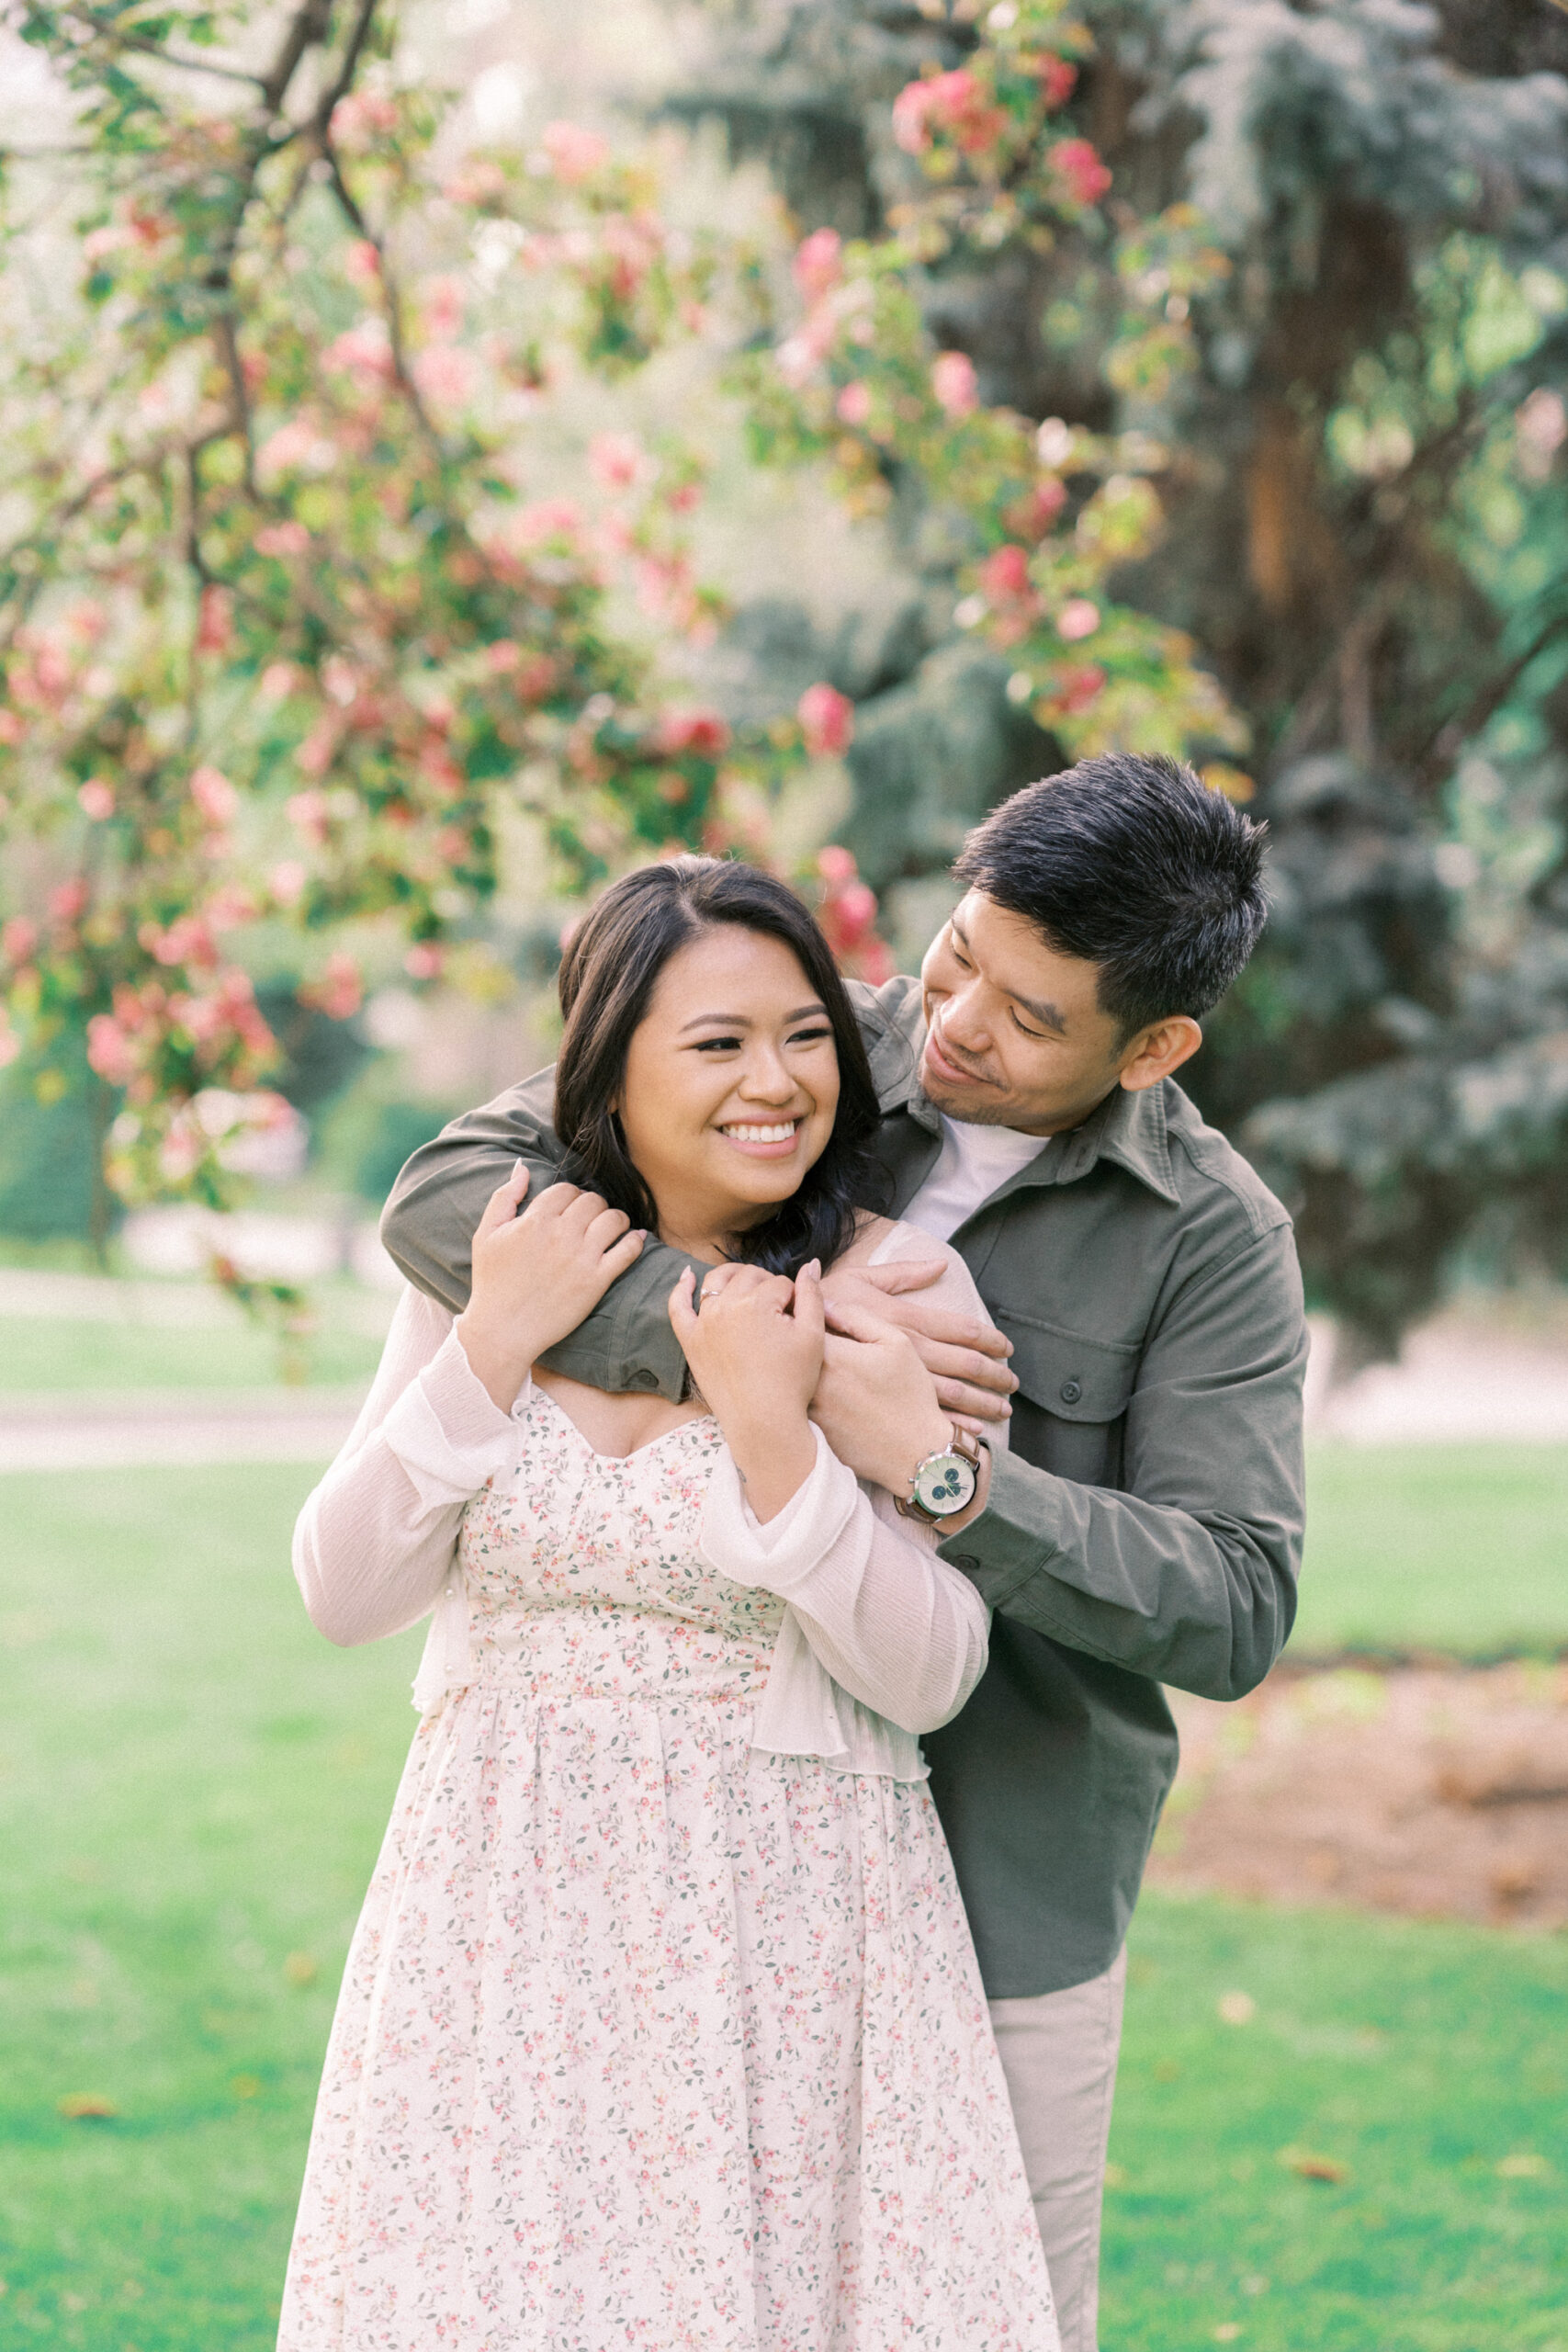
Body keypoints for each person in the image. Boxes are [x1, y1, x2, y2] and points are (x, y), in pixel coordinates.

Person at [381, 751, 1310, 2352]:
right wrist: (763, 1363)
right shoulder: (798, 1049)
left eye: (1031, 1017)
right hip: (701, 1865)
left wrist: (945, 1474)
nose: (953, 1024)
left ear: (1154, 1046)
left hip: (1002, 1865)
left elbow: (1233, 1602)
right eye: (961, 956)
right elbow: (451, 1194)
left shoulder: (1215, 1238)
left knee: (978, 2318)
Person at [278, 858, 1059, 2350]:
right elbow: (343, 1590)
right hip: (491, 1914)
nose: (777, 1084)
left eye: (806, 1034)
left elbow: (935, 1672)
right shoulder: (493, 1262)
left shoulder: (900, 1296)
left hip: (780, 1925)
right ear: (608, 1071)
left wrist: (779, 1440)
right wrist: (493, 1343)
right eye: (718, 1044)